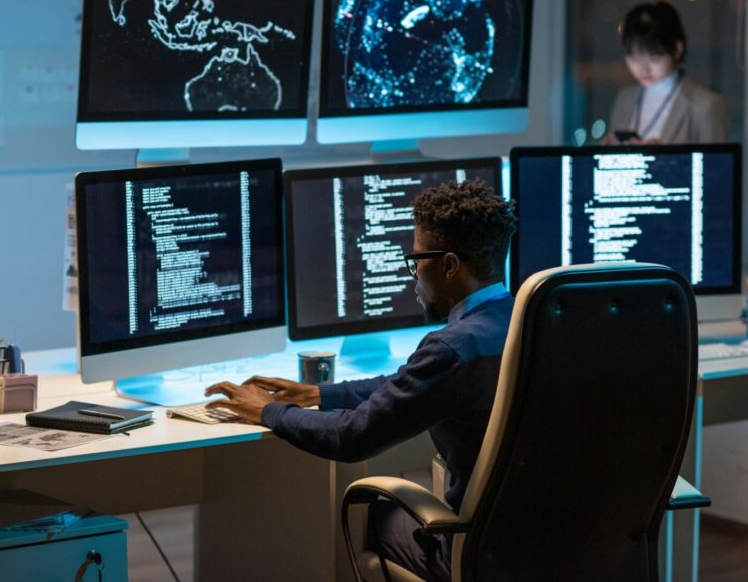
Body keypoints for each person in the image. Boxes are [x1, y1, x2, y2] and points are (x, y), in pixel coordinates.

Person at [205, 179, 516, 582]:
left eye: (416, 259)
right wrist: (320, 393)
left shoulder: (451, 348)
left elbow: (352, 437)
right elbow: (412, 382)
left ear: (449, 265)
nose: (413, 274)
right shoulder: (536, 322)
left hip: (473, 556)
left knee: (369, 518)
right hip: (554, 549)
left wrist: (269, 411)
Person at [604, 0, 728, 144]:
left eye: (654, 58)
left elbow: (718, 165)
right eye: (634, 58)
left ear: (677, 50)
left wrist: (663, 159)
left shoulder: (706, 105)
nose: (644, 69)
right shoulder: (624, 98)